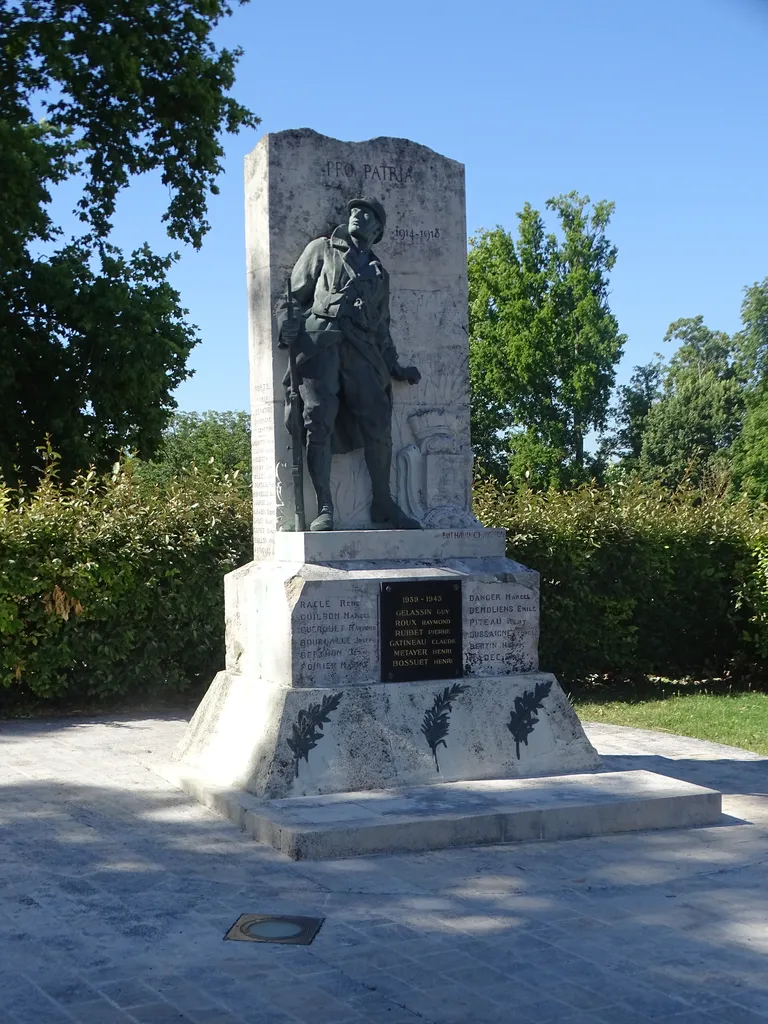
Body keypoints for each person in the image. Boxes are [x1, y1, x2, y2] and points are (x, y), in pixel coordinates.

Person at [278, 197, 422, 532]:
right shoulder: (323, 249)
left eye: (367, 214)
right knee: (318, 420)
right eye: (354, 211)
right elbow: (291, 296)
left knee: (378, 420)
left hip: (362, 347)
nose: (357, 216)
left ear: (378, 229)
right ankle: (325, 506)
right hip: (320, 341)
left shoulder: (378, 274)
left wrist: (395, 366)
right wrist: (287, 322)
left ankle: (383, 502)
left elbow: (382, 327)